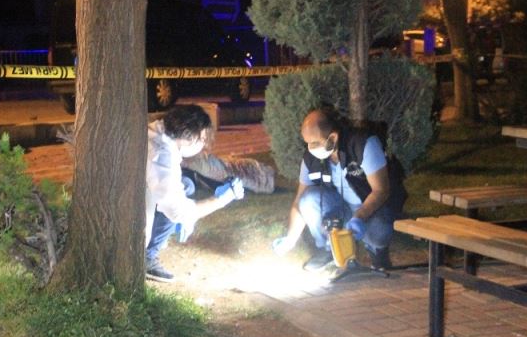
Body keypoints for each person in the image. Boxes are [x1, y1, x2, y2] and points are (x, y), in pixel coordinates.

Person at [272, 108, 405, 271]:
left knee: (379, 231)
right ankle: (329, 248)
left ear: (333, 137)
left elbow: (381, 190)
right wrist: (290, 239)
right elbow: (299, 202)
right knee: (308, 200)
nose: (310, 148)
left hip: (372, 207)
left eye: (315, 143)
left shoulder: (363, 144)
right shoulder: (311, 158)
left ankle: (377, 251)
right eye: (307, 143)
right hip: (341, 206)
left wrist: (359, 216)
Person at [146, 104, 244, 282]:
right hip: (127, 213)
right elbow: (177, 210)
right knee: (179, 201)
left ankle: (151, 245)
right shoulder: (161, 154)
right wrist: (222, 199)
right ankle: (145, 256)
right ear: (188, 135)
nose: (203, 144)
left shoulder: (157, 134)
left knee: (186, 186)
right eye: (202, 139)